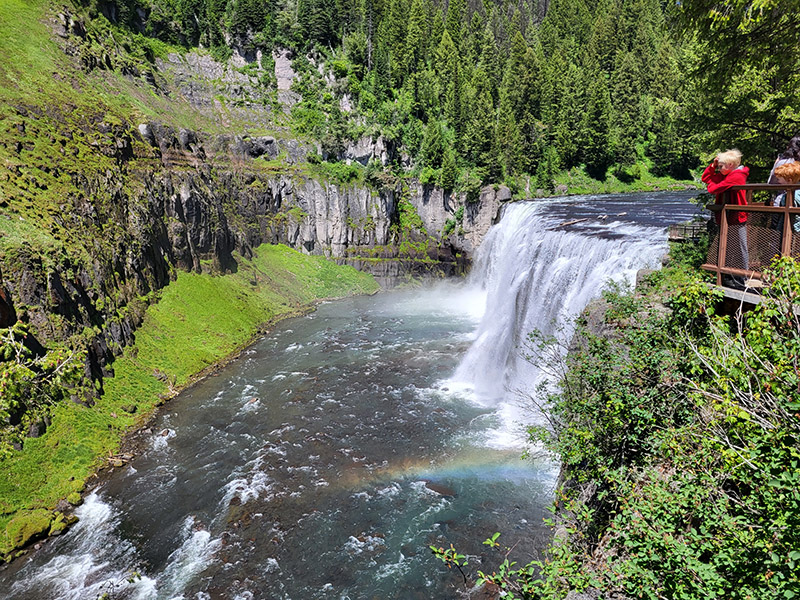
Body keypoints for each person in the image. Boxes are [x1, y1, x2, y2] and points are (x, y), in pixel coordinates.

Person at [702, 149, 750, 287]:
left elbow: (713, 188)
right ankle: (730, 274)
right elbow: (706, 178)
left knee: (740, 246)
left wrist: (712, 185)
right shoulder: (728, 174)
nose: (718, 168)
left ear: (730, 164)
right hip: (729, 216)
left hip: (737, 216)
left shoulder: (737, 176)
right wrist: (713, 165)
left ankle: (742, 276)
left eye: (720, 166)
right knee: (729, 246)